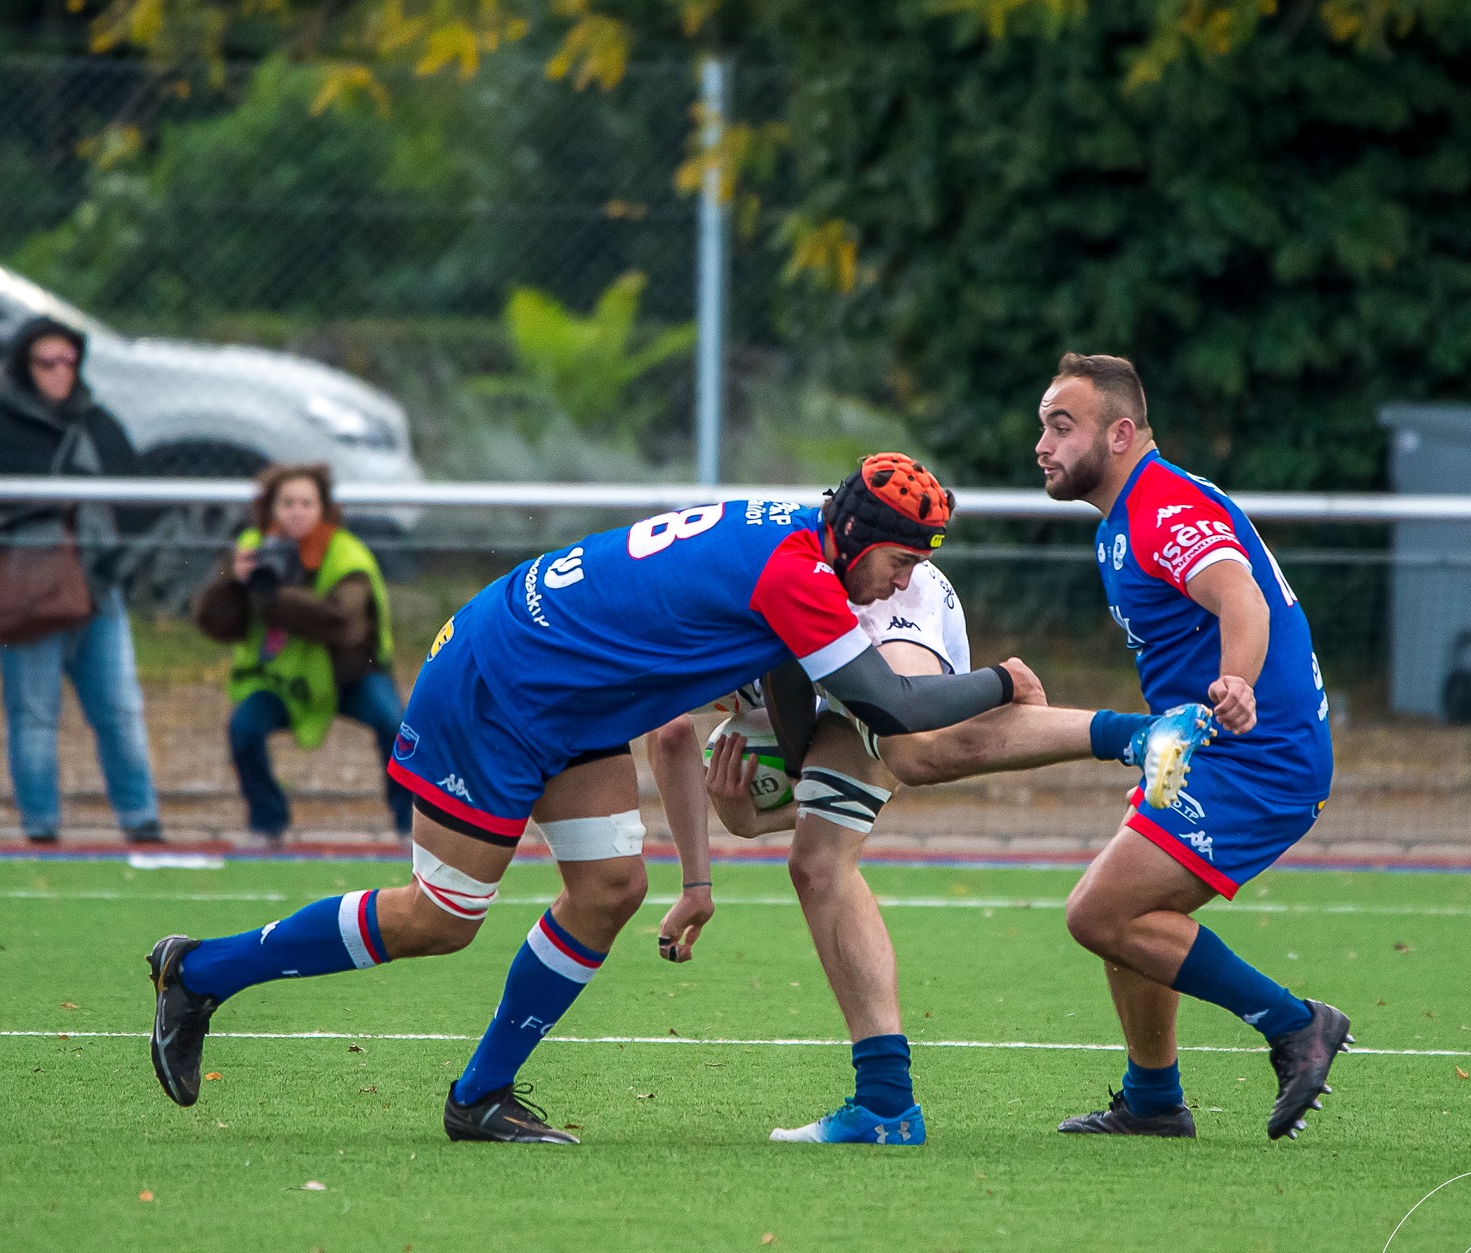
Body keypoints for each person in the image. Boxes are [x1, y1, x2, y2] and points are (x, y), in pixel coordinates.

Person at [145, 455, 1040, 1142]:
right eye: (898, 562)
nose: (904, 582)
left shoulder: (799, 535)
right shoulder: (799, 576)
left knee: (611, 887)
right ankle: (199, 972)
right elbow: (897, 707)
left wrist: (706, 868)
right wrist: (1003, 679)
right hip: (500, 683)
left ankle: (478, 1097)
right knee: (441, 916)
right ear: (854, 533)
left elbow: (763, 697)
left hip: (568, 694)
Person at [647, 561, 1160, 1145]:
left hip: (876, 616)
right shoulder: (706, 634)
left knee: (916, 748)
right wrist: (747, 826)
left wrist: (697, 882)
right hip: (822, 653)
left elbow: (897, 752)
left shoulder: (879, 587)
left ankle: (1131, 732)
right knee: (817, 865)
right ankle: (885, 1104)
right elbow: (669, 733)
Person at [1032, 352, 1349, 1142]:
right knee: (1125, 904)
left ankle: (1297, 1025)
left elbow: (1238, 593)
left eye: (1062, 425)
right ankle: (1152, 1100)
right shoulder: (1123, 520)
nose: (1042, 442)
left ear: (1120, 433)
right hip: (1215, 750)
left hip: (1258, 753)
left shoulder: (1161, 506)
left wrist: (1234, 686)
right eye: (1043, 424)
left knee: (1097, 912)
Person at [0, 315, 162, 845]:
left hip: (97, 594)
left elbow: (136, 500)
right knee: (34, 718)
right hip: (25, 599)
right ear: (22, 366)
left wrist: (111, 553)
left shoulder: (96, 422)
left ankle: (142, 824)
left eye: (67, 362)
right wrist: (40, 507)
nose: (58, 373)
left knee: (120, 712)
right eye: (45, 362)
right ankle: (41, 831)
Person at [191, 464, 410, 846]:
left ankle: (410, 826)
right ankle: (267, 824)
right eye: (287, 503)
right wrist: (233, 583)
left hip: (349, 674)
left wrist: (275, 598)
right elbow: (216, 626)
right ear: (270, 509)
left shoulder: (347, 555)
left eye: (307, 503)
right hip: (284, 680)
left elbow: (343, 623)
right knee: (244, 729)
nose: (297, 512)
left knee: (397, 726)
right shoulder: (253, 549)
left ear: (324, 508)